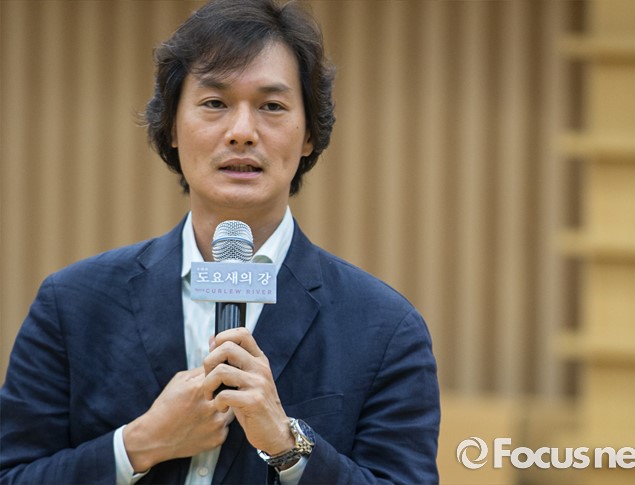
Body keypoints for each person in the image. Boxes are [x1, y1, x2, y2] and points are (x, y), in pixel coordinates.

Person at [0, 0, 440, 483]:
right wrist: (139, 444)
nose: (242, 132)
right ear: (171, 126)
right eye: (215, 103)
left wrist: (288, 446)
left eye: (272, 106)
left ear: (309, 135)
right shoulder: (72, 305)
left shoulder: (384, 328)